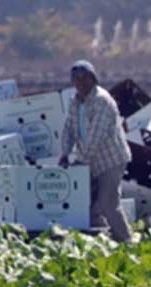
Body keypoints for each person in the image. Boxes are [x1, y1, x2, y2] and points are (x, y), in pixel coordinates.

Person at [59, 60, 133, 243]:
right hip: (90, 160)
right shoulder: (75, 101)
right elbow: (68, 128)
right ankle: (105, 238)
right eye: (76, 79)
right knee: (88, 204)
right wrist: (64, 153)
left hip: (110, 159)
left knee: (109, 202)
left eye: (85, 78)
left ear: (93, 79)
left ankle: (126, 241)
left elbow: (95, 138)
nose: (81, 82)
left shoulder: (102, 101)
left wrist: (79, 162)